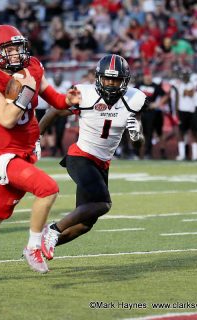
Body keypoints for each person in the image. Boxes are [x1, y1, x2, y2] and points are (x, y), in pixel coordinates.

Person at [0, 25, 80, 284]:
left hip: (26, 152)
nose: (15, 54)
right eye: (8, 49)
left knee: (0, 210)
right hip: (4, 155)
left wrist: (68, 100)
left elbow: (54, 99)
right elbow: (6, 119)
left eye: (17, 47)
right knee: (47, 189)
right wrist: (25, 91)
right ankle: (33, 246)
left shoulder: (32, 66)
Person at [38, 54, 147, 260]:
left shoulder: (135, 99)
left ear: (125, 81)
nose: (111, 84)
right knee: (102, 204)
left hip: (102, 163)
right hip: (80, 156)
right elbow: (55, 111)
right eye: (107, 78)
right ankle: (52, 230)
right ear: (98, 78)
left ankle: (35, 248)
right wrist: (37, 137)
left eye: (116, 79)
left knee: (85, 224)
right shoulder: (85, 94)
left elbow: (139, 142)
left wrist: (136, 134)